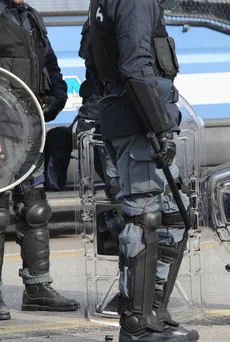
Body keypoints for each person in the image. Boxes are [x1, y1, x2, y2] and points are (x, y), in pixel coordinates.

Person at [0, 0, 79, 320]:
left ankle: (37, 289)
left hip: (31, 132)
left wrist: (56, 99)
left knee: (35, 210)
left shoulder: (29, 18)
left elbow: (49, 66)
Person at [87, 0, 199, 341]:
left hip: (140, 120)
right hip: (140, 124)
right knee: (145, 217)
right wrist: (161, 127)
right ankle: (137, 325)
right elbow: (136, 67)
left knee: (173, 217)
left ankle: (154, 312)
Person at [44, 19, 120, 200]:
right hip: (104, 118)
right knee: (118, 188)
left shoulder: (121, 16)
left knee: (124, 188)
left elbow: (114, 81)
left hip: (117, 117)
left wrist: (86, 118)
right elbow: (98, 79)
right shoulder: (101, 16)